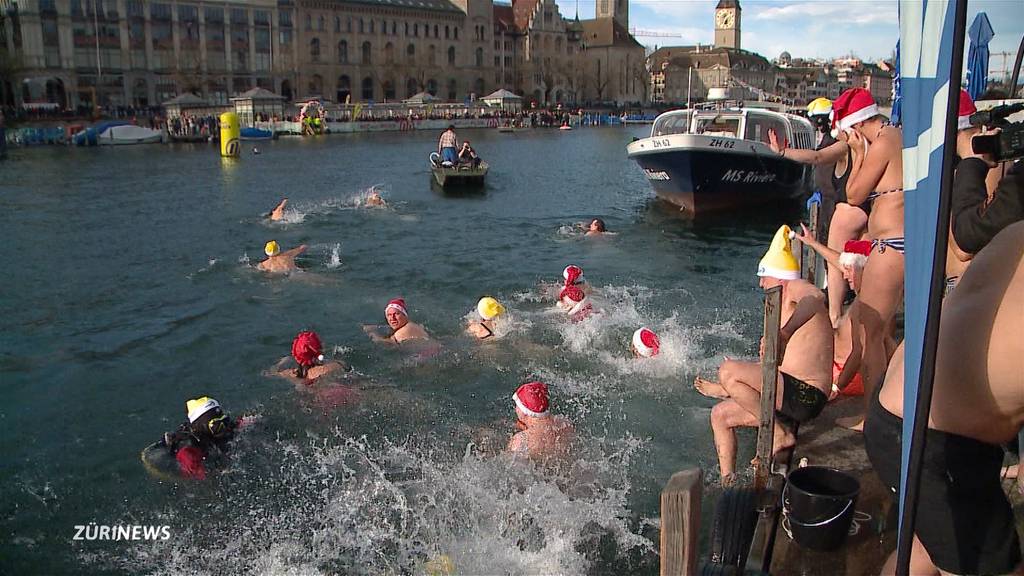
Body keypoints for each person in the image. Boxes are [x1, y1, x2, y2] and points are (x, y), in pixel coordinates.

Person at [864, 221, 1024, 576]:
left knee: (931, 544)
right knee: (989, 564)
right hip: (934, 438)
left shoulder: (1016, 231)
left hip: (901, 403)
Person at [694, 225, 833, 485]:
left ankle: (779, 435)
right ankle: (728, 483)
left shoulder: (797, 288)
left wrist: (785, 333)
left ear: (779, 278)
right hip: (788, 391)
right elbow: (775, 367)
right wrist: (726, 388)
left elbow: (815, 298)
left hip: (806, 395)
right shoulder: (781, 304)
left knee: (729, 371)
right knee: (720, 416)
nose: (760, 283)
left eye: (764, 276)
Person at [834, 87, 904, 428]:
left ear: (856, 126)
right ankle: (889, 407)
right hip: (895, 244)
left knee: (870, 334)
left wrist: (858, 152)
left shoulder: (883, 141)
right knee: (882, 333)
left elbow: (854, 193)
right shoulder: (895, 136)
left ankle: (873, 419)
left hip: (892, 245)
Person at [770, 111, 865, 327]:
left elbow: (817, 157)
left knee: (837, 264)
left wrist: (783, 151)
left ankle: (835, 315)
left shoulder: (846, 146)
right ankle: (859, 312)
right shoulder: (872, 145)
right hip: (869, 211)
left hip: (846, 209)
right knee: (860, 267)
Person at [158, 397, 239, 480]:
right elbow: (203, 477)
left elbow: (238, 423)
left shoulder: (216, 431)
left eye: (224, 421)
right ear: (200, 426)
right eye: (216, 426)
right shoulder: (187, 450)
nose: (223, 427)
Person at [507, 381, 575, 462]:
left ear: (523, 411)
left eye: (517, 405)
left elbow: (508, 464)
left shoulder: (520, 440)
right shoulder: (565, 424)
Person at [272, 330, 349, 386]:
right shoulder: (334, 366)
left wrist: (281, 363)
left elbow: (269, 373)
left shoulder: (289, 374)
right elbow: (346, 367)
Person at [364, 298, 431, 344]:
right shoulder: (412, 325)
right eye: (389, 315)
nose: (392, 318)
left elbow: (386, 344)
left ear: (404, 315)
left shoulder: (401, 333)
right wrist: (376, 327)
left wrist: (372, 334)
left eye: (396, 314)